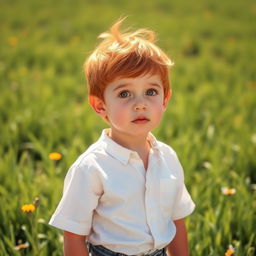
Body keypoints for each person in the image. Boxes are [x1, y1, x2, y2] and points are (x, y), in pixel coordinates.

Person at [49, 18, 195, 256]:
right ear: (100, 106)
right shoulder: (92, 167)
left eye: (150, 92)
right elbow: (74, 236)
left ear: (165, 99)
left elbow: (176, 221)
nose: (140, 104)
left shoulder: (167, 158)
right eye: (125, 93)